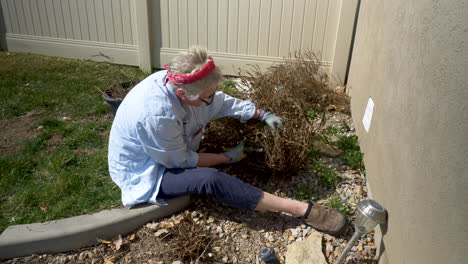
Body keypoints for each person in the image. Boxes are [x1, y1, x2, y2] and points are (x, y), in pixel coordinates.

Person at [108, 47, 346, 235]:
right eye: (206, 97)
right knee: (210, 179)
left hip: (168, 147)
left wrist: (261, 114)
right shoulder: (157, 114)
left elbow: (221, 102)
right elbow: (179, 161)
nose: (213, 100)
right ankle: (299, 209)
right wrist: (226, 158)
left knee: (209, 144)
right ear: (182, 94)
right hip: (147, 169)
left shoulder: (181, 83)